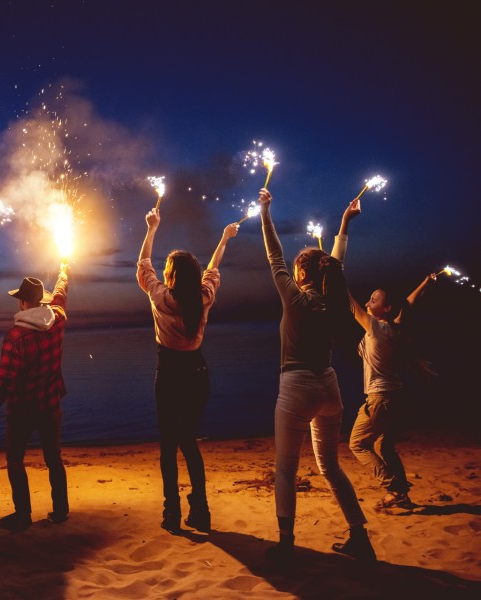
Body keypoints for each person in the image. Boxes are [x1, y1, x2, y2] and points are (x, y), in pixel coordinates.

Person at [257, 188, 375, 562]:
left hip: (296, 388)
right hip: (329, 385)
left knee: (286, 470)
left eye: (295, 268)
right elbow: (335, 265)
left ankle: (287, 544)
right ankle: (360, 536)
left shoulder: (294, 297)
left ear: (301, 272)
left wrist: (265, 211)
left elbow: (273, 252)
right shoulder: (333, 299)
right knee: (330, 466)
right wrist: (343, 223)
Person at [137, 207, 239, 534]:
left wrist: (151, 229)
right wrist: (224, 238)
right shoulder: (204, 297)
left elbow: (142, 266)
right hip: (197, 373)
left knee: (169, 445)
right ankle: (202, 509)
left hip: (169, 373)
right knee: (189, 442)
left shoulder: (160, 296)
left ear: (170, 275)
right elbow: (213, 268)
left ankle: (171, 512)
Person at [0, 261, 69, 532]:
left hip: (22, 409)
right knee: (53, 458)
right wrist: (64, 271)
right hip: (50, 403)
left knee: (14, 460)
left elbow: (6, 377)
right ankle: (60, 510)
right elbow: (61, 294)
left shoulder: (16, 337)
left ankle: (23, 515)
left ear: (22, 302)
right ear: (40, 301)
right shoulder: (57, 318)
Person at [347, 273, 436, 509]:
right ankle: (402, 494)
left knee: (358, 444)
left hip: (380, 399)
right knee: (384, 447)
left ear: (385, 308)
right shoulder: (395, 328)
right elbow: (408, 304)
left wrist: (332, 273)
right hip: (398, 399)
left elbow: (348, 301)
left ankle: (393, 488)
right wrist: (425, 282)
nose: (368, 302)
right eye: (369, 299)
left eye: (374, 300)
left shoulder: (374, 327)